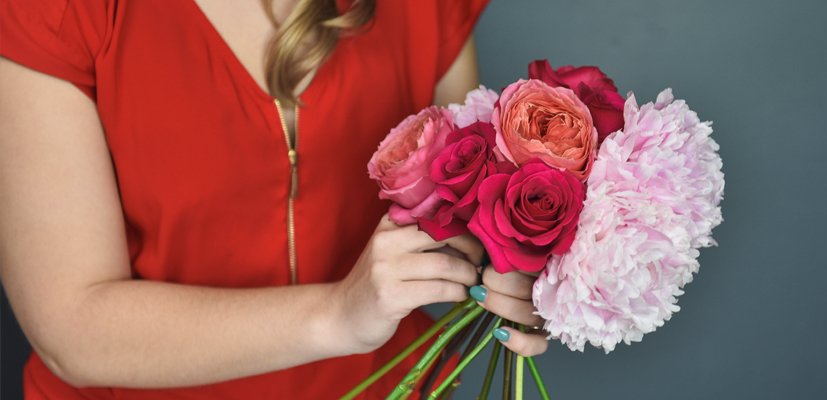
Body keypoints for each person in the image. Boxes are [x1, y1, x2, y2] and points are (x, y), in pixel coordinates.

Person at [0, 0, 548, 398]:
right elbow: (70, 327)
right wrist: (336, 315)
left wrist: (518, 271)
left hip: (392, 385)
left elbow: (462, 219)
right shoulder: (60, 11)